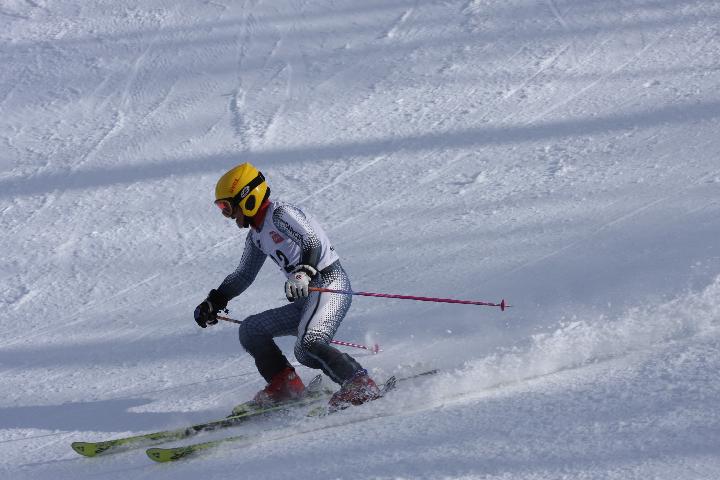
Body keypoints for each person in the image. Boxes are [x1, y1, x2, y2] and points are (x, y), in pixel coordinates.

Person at [194, 162, 380, 411]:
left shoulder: (280, 214)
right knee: (251, 330)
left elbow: (311, 241)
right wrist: (214, 300)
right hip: (305, 297)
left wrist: (304, 272)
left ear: (247, 198)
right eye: (222, 209)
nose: (227, 215)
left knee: (308, 345)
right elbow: (243, 275)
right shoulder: (256, 235)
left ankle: (360, 384)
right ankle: (286, 387)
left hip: (328, 284)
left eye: (227, 207)